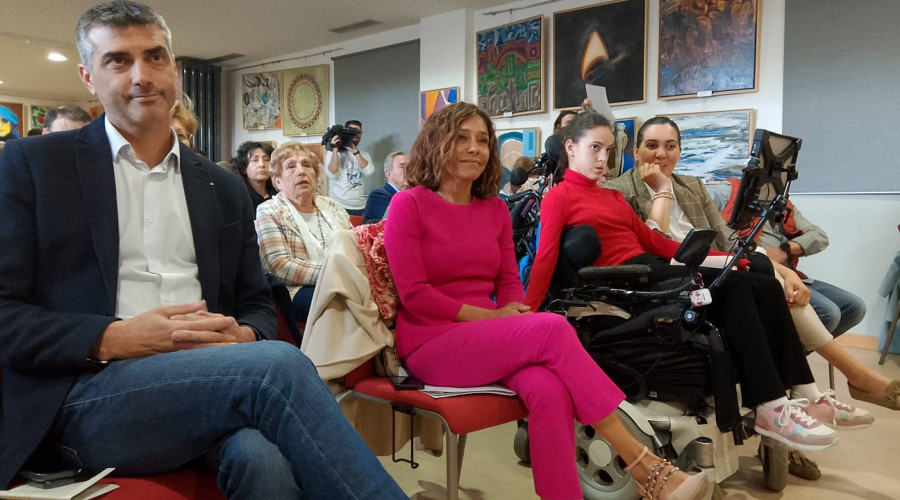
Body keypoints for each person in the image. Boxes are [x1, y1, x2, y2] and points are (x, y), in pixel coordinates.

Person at [0, 3, 407, 499]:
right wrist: (115, 337)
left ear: (173, 66)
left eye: (154, 57)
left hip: (212, 382)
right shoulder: (34, 165)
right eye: (118, 61)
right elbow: (7, 317)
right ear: (88, 75)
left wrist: (241, 334)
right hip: (83, 395)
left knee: (265, 463)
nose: (141, 76)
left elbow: (257, 301)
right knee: (277, 367)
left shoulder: (220, 186)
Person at [384, 102, 712, 500]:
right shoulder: (409, 204)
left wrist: (510, 316)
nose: (474, 148)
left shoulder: (493, 210)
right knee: (553, 326)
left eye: (483, 140)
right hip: (430, 341)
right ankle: (644, 466)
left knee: (549, 388)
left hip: (483, 336)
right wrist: (498, 319)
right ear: (436, 143)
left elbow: (508, 282)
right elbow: (415, 296)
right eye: (461, 137)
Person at [524, 111, 840, 456]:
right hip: (624, 283)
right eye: (594, 148)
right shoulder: (559, 197)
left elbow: (657, 243)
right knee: (733, 290)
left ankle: (806, 392)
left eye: (609, 150)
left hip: (651, 270)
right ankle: (770, 405)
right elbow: (545, 257)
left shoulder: (612, 197)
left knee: (760, 283)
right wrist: (527, 312)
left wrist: (728, 259)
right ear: (571, 147)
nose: (603, 159)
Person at [605, 116, 898, 415]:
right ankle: (826, 385)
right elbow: (655, 248)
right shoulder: (619, 190)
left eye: (670, 146)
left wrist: (785, 271)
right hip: (679, 274)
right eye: (652, 146)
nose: (661, 154)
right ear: (637, 149)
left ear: (680, 150)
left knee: (770, 275)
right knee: (800, 299)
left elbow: (729, 238)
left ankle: (804, 393)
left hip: (720, 264)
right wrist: (662, 189)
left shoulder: (691, 185)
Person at [257, 141, 352, 322]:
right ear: (277, 181)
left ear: (316, 177)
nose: (301, 171)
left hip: (347, 280)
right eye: (291, 167)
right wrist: (337, 274)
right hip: (299, 288)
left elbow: (356, 248)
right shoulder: (269, 210)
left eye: (306, 165)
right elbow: (280, 265)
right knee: (343, 305)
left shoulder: (333, 206)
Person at [757, 203, 867, 338]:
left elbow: (819, 236)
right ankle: (786, 356)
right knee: (828, 313)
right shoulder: (728, 193)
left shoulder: (783, 203)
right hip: (762, 274)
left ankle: (794, 355)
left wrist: (785, 249)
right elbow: (729, 245)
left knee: (854, 307)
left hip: (791, 273)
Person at [324, 119, 374, 215]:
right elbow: (332, 175)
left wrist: (355, 152)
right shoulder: (334, 153)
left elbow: (369, 171)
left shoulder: (364, 155)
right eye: (351, 131)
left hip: (360, 206)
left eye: (358, 132)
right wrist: (335, 149)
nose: (355, 134)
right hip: (338, 205)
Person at [362, 150, 408, 223]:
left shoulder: (413, 195)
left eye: (410, 166)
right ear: (389, 174)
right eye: (402, 167)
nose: (409, 170)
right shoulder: (379, 196)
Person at [232, 141, 277, 210]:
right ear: (244, 168)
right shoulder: (238, 197)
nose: (262, 164)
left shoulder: (278, 194)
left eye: (266, 159)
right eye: (255, 160)